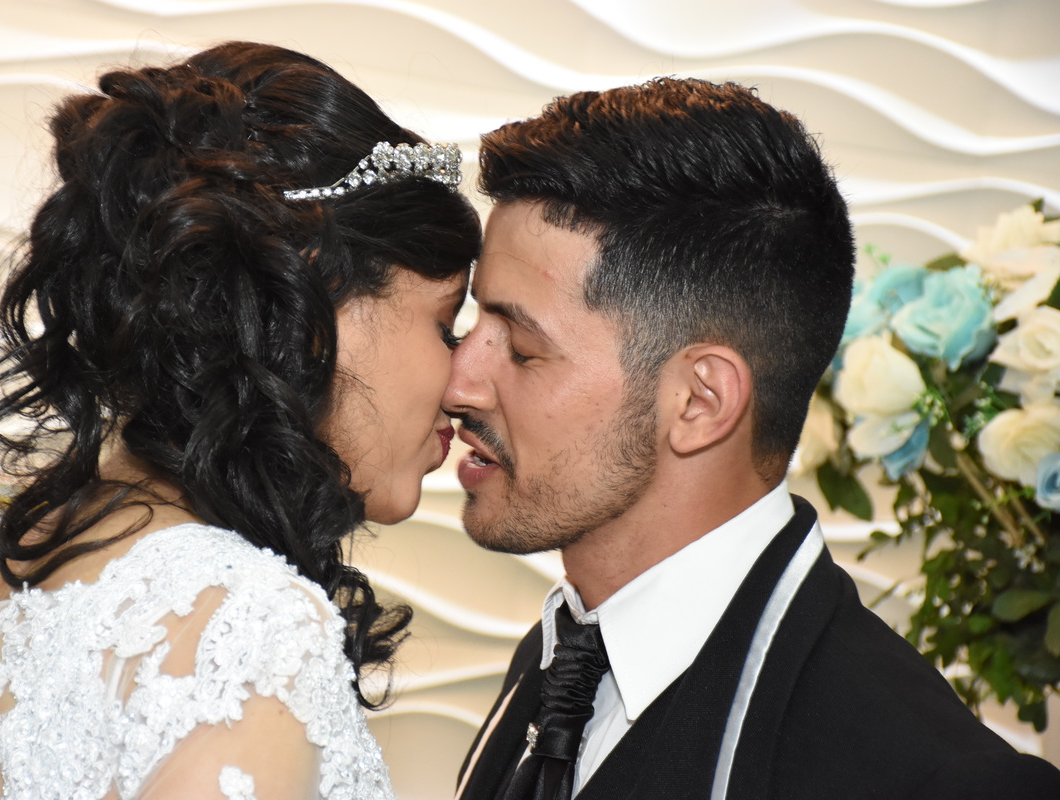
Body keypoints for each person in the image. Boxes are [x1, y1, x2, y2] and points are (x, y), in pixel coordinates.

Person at [0, 41, 480, 800]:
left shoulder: (6, 575)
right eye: (445, 325)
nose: (463, 383)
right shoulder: (241, 631)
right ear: (311, 306)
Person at [447, 78, 1060, 799]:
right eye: (471, 326)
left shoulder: (929, 779)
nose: (459, 384)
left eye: (522, 348)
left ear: (700, 402)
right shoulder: (563, 663)